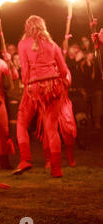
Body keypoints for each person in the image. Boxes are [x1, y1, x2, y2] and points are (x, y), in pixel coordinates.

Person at [14, 15, 76, 178]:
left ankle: (25, 159)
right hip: (54, 86)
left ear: (27, 27)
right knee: (52, 128)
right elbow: (63, 70)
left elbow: (25, 70)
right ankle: (56, 169)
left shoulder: (23, 44)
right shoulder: (52, 44)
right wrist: (62, 83)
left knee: (21, 122)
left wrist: (26, 87)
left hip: (34, 85)